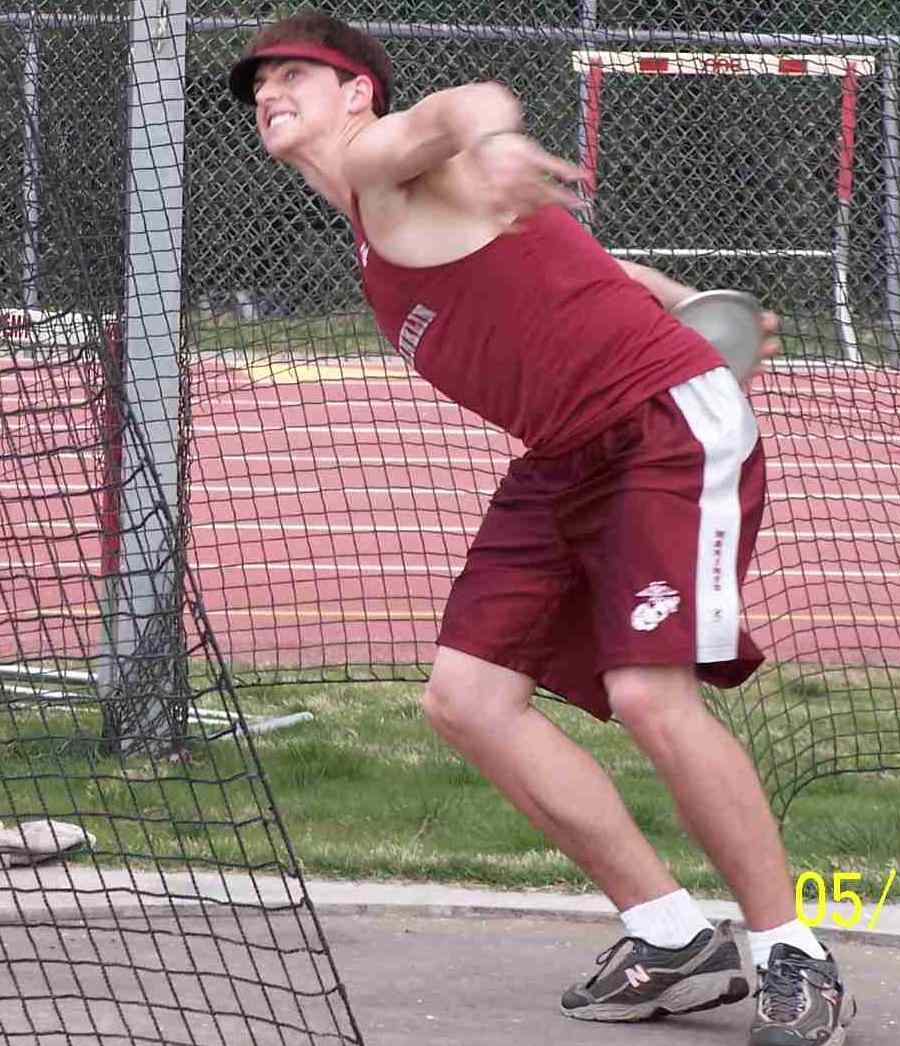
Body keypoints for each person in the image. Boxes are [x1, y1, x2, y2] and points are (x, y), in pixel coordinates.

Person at [229, 14, 856, 1045]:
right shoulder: (382, 223)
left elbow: (459, 106)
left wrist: (490, 135)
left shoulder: (384, 163)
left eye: (295, 72)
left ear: (357, 94)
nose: (268, 92)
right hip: (566, 453)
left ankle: (793, 950)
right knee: (467, 700)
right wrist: (690, 299)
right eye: (259, 82)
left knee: (648, 696)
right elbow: (576, 259)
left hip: (658, 425)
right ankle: (669, 935)